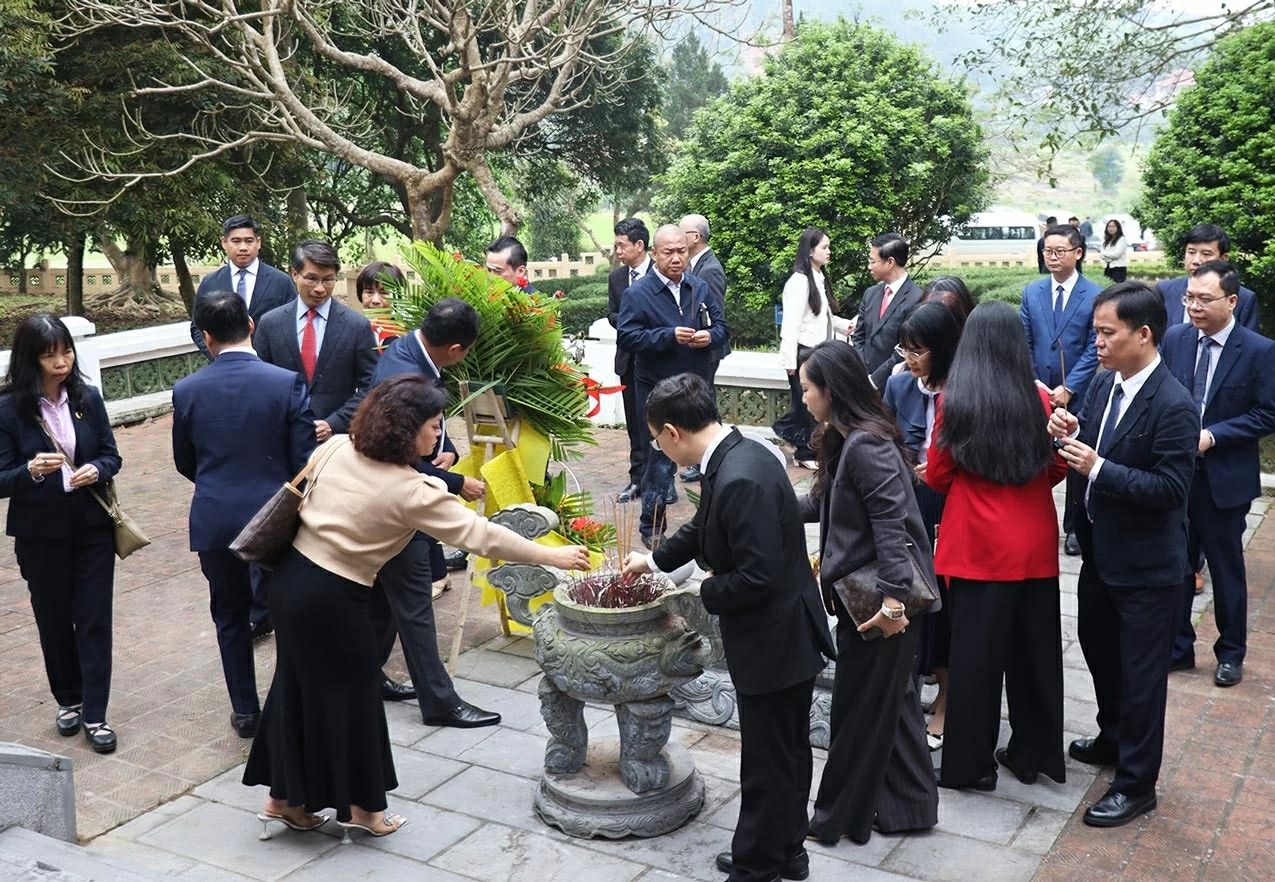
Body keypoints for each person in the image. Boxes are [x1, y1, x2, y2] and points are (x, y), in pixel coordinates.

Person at [243, 374, 589, 836]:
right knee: (354, 699)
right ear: (406, 430)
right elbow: (480, 535)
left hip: (288, 583)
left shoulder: (337, 447)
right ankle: (366, 812)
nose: (438, 434)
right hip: (332, 599)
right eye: (433, 425)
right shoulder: (412, 491)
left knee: (296, 687)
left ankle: (283, 799)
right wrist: (552, 554)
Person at [621, 372, 833, 882]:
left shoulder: (739, 475)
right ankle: (786, 850)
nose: (658, 448)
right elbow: (705, 526)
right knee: (783, 751)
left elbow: (755, 577)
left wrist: (702, 589)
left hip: (775, 638)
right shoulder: (737, 451)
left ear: (672, 432)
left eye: (655, 439)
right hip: (778, 632)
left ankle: (758, 864)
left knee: (768, 758)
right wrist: (652, 562)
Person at [1049, 281, 1197, 827]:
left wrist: (1099, 468)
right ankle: (1113, 740)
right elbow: (1096, 440)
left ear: (1144, 334)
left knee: (1140, 678)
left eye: (1107, 334)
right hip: (1100, 555)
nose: (1099, 344)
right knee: (1100, 654)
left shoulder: (1174, 404)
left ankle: (1137, 784)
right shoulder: (1106, 387)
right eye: (1096, 333)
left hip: (1148, 568)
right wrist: (1068, 429)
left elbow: (1170, 490)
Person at [795, 341, 939, 845]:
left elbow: (892, 525)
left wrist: (893, 604)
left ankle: (835, 819)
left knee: (856, 713)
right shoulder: (845, 438)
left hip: (879, 604)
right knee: (893, 707)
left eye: (808, 388)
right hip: (869, 598)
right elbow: (821, 503)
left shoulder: (866, 444)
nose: (804, 397)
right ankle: (911, 808)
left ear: (832, 391)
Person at [926, 301, 1068, 792]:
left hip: (978, 547)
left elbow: (940, 477)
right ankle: (1033, 753)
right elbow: (1054, 469)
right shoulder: (1041, 400)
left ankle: (970, 765)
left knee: (974, 662)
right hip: (1032, 543)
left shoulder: (956, 400)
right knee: (1034, 658)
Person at [173, 291, 317, 738]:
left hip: (215, 517)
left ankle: (245, 711)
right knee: (289, 611)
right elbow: (304, 462)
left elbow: (185, 461)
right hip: (276, 517)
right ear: (251, 325)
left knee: (230, 617)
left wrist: (220, 484)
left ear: (207, 336)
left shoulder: (187, 390)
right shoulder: (286, 382)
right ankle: (289, 701)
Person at [367, 299, 500, 729]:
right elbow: (392, 451)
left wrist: (447, 451)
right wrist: (457, 483)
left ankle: (365, 678)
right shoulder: (404, 375)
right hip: (398, 503)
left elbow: (422, 437)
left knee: (389, 603)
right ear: (457, 348)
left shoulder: (411, 353)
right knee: (414, 601)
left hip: (398, 494)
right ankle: (440, 702)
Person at [0, 315, 122, 753]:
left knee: (93, 619)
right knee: (54, 621)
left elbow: (111, 454)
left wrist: (98, 468)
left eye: (66, 351)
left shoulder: (87, 398)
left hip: (92, 526)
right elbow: (1, 477)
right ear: (30, 358)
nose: (61, 361)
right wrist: (29, 471)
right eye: (50, 354)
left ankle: (96, 713)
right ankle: (68, 699)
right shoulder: (9, 409)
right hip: (40, 532)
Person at [1162, 261, 1275, 686]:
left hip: (1223, 478)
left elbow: (1267, 413)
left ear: (1231, 301)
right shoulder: (1175, 339)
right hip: (1177, 475)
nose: (1193, 307)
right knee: (1176, 564)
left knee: (1226, 570)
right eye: (1189, 298)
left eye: (1204, 299)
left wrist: (1214, 435)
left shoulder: (1259, 350)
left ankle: (1231, 652)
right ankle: (1178, 647)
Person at [617, 224, 727, 548]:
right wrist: (667, 335)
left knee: (713, 454)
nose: (677, 258)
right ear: (654, 253)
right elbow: (627, 336)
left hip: (697, 386)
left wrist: (710, 336)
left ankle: (716, 521)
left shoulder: (699, 288)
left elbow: (721, 326)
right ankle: (652, 529)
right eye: (668, 252)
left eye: (682, 251)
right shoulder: (638, 293)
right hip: (657, 389)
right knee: (658, 460)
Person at [882, 302, 962, 751]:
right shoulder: (899, 385)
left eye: (919, 351)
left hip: (952, 501)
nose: (910, 359)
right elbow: (889, 439)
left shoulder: (965, 389)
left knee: (945, 601)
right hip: (911, 498)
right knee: (914, 592)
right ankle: (917, 684)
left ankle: (948, 695)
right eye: (905, 349)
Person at [1020, 223, 1103, 558]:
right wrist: (1035, 383)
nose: (1052, 258)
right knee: (1036, 454)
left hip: (1077, 393)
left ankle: (1073, 526)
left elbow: (1092, 347)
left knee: (1073, 457)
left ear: (1077, 253)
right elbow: (1023, 341)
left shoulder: (1094, 294)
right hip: (1036, 391)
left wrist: (1069, 387)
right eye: (1047, 252)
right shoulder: (1032, 292)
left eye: (1059, 251)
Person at [254, 241, 377, 445]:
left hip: (337, 443)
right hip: (281, 439)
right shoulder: (271, 323)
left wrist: (334, 423)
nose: (320, 288)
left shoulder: (356, 325)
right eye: (312, 279)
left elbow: (371, 386)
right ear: (295, 274)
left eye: (328, 280)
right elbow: (259, 382)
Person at [772, 228, 852, 469]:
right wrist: (789, 362)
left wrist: (846, 326)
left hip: (818, 353)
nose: (829, 252)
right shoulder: (799, 282)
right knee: (807, 405)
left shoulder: (818, 277)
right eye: (824, 247)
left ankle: (796, 441)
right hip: (803, 353)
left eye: (828, 247)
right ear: (809, 251)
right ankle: (805, 451)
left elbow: (821, 317)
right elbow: (792, 324)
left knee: (810, 404)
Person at [190, 214, 296, 361]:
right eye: (236, 241)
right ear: (224, 242)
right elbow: (197, 327)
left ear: (258, 242)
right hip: (224, 369)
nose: (243, 247)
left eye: (249, 241)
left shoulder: (280, 282)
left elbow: (293, 324)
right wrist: (218, 357)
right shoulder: (211, 283)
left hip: (270, 368)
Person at [678, 213, 729, 484]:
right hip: (697, 348)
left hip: (707, 349)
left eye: (682, 232)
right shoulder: (696, 264)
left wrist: (704, 335)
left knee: (705, 404)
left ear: (695, 237)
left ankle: (712, 458)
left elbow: (714, 315)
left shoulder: (709, 269)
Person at [607, 217, 654, 504]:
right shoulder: (616, 278)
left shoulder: (660, 274)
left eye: (622, 246)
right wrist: (629, 321)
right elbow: (612, 313)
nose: (618, 252)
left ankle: (660, 480)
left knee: (657, 423)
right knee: (635, 425)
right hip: (628, 360)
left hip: (656, 360)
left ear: (640, 245)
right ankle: (637, 479)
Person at [851, 233, 922, 390]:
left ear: (890, 262)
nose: (869, 267)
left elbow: (905, 348)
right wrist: (863, 372)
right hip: (863, 381)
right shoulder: (870, 294)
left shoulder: (916, 299)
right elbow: (859, 336)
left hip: (895, 385)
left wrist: (875, 380)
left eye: (872, 261)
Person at [1154, 224, 1260, 330]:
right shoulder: (1164, 291)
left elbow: (1249, 343)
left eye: (1206, 254)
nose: (1196, 261)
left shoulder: (1244, 298)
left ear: (1223, 258)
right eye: (1191, 252)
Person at [355, 261, 407, 347]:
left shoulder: (401, 337)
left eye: (384, 293)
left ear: (398, 296)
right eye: (369, 292)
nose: (375, 300)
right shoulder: (353, 329)